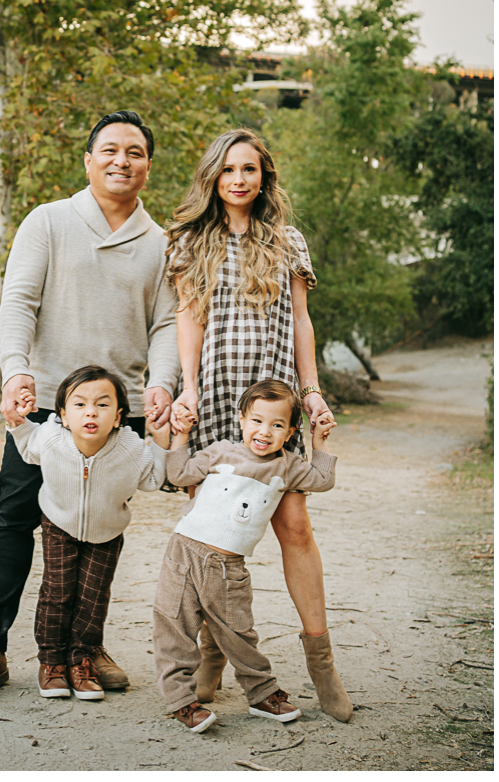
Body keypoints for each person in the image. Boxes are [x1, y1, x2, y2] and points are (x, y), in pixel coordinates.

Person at [0, 111, 179, 700]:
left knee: (95, 532)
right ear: (88, 159)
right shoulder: (48, 221)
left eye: (134, 152)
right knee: (14, 520)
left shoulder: (161, 244)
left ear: (148, 166)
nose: (121, 160)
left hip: (118, 410)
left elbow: (168, 323)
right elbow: (19, 302)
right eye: (109, 149)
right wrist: (15, 372)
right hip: (46, 403)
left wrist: (163, 383)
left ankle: (85, 648)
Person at [165, 128, 353, 723]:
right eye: (228, 170)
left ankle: (321, 662)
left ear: (264, 177)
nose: (239, 179)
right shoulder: (192, 240)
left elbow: (300, 321)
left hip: (271, 403)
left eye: (249, 169)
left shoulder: (287, 240)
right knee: (217, 532)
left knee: (293, 522)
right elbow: (189, 319)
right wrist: (187, 389)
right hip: (218, 398)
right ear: (213, 178)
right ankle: (214, 658)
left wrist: (312, 389)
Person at [153, 379, 336, 732]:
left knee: (239, 633)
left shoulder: (288, 466)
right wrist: (180, 436)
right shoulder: (221, 451)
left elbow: (323, 479)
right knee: (173, 627)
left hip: (228, 567)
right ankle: (182, 701)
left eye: (277, 425)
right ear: (241, 419)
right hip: (184, 553)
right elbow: (178, 474)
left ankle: (262, 693)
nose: (264, 432)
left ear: (290, 431)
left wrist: (319, 442)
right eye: (257, 421)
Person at [6, 365, 169, 700]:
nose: (91, 412)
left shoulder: (131, 448)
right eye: (79, 405)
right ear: (63, 415)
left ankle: (81, 660)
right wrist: (18, 421)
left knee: (94, 597)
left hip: (107, 530)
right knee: (58, 592)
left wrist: (162, 439)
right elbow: (27, 446)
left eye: (103, 404)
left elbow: (154, 478)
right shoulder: (50, 437)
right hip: (58, 523)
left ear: (119, 415)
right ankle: (51, 661)